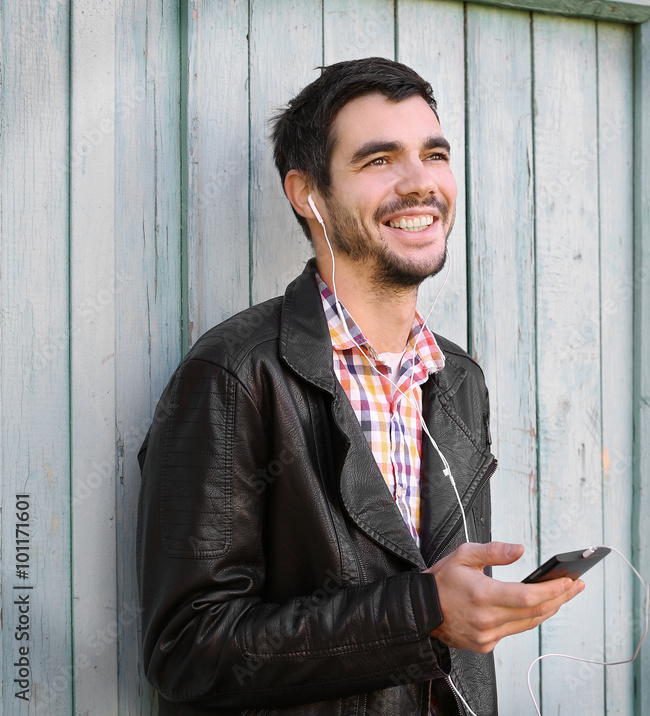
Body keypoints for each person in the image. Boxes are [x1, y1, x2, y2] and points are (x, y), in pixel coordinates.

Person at [136, 57, 584, 715]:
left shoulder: (457, 380)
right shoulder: (235, 375)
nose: (420, 183)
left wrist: (472, 612)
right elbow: (188, 650)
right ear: (306, 194)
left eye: (433, 154)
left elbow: (453, 635)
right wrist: (421, 610)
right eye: (379, 161)